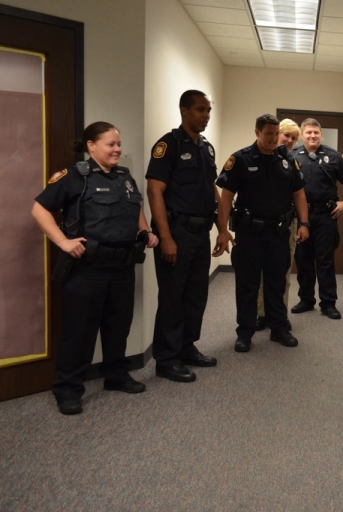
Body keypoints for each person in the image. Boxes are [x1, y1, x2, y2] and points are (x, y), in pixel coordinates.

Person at [31, 122, 159, 415]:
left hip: (123, 265)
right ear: (91, 146)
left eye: (118, 144)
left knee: (118, 325)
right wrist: (63, 242)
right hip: (88, 268)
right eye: (110, 144)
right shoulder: (74, 177)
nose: (117, 149)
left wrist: (145, 231)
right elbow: (39, 209)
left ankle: (115, 375)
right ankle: (67, 388)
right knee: (80, 331)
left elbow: (135, 207)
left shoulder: (125, 177)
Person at [214, 114, 309, 353]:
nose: (274, 139)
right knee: (248, 284)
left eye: (276, 134)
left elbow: (299, 193)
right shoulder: (240, 159)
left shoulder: (287, 160)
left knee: (277, 282)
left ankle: (279, 328)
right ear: (257, 132)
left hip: (278, 232)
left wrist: (305, 223)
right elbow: (226, 196)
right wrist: (223, 230)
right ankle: (244, 333)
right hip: (249, 233)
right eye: (269, 134)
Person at [146, 90, 219, 383]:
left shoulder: (206, 148)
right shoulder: (168, 145)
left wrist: (222, 228)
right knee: (173, 297)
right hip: (176, 232)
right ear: (184, 111)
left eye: (208, 111)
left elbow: (212, 189)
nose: (206, 116)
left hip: (201, 233)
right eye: (200, 110)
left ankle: (186, 347)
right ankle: (166, 359)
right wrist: (165, 237)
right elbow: (155, 191)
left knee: (196, 295)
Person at [290, 118, 343, 320]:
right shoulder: (292, 156)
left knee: (325, 260)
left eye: (316, 133)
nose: (312, 136)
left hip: (325, 216)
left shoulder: (334, 156)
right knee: (303, 259)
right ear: (302, 135)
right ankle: (306, 299)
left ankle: (328, 303)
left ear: (321, 135)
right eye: (308, 133)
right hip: (301, 217)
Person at [255, 118, 301, 331]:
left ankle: (279, 315)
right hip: (259, 226)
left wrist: (303, 223)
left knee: (282, 273)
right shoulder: (256, 157)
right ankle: (261, 313)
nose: (289, 140)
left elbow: (298, 194)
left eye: (293, 138)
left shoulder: (291, 162)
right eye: (286, 135)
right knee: (260, 273)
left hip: (285, 224)